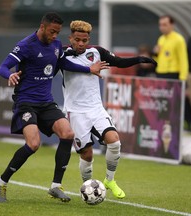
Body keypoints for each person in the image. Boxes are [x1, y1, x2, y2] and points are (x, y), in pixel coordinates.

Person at [0, 12, 109, 203]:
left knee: (67, 134)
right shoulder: (26, 45)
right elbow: (3, 67)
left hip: (46, 102)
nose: (55, 36)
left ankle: (55, 186)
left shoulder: (55, 46)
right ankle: (1, 181)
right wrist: (9, 75)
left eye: (57, 32)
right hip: (26, 102)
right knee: (33, 144)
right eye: (52, 32)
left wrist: (89, 69)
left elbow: (64, 63)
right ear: (43, 27)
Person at [61, 20, 157, 199]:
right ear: (70, 38)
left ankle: (109, 180)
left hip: (96, 108)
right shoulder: (62, 54)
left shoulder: (96, 51)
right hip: (76, 112)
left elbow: (118, 62)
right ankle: (87, 189)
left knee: (114, 141)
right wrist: (89, 69)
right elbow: (65, 66)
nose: (81, 43)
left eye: (85, 40)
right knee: (87, 155)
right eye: (77, 40)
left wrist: (138, 59)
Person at [153, 15, 188, 81]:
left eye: (164, 25)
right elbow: (158, 58)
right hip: (160, 72)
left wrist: (183, 78)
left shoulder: (179, 39)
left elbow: (183, 59)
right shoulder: (161, 39)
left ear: (172, 25)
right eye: (160, 25)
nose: (162, 27)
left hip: (173, 73)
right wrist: (155, 54)